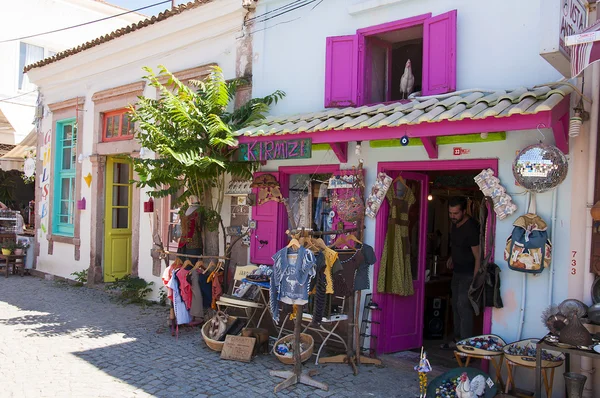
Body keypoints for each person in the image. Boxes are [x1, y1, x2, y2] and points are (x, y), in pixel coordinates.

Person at [441, 196, 480, 349]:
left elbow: (478, 255)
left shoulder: (471, 228)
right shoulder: (454, 225)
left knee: (464, 307)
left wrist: (475, 280)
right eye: (450, 213)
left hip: (469, 274)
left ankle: (466, 346)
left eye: (456, 213)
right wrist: (452, 257)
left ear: (464, 211)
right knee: (455, 305)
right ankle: (457, 340)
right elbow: (458, 245)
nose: (452, 216)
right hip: (457, 272)